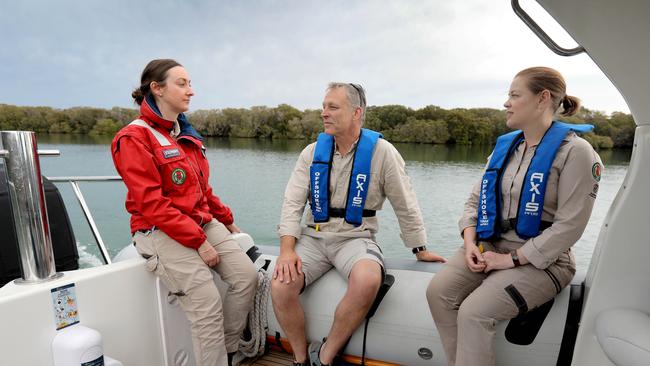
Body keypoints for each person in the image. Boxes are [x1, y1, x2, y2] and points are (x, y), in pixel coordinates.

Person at [426, 66, 603, 366]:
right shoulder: (505, 149)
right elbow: (474, 202)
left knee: (474, 311)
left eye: (514, 95)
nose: (506, 102)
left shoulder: (577, 152)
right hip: (490, 246)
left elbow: (570, 226)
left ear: (542, 99)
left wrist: (511, 260)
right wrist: (470, 243)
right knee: (438, 292)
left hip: (545, 260)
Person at [271, 82, 446, 366]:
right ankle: (301, 358)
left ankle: (326, 356)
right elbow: (292, 203)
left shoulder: (383, 152)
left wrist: (420, 249)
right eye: (324, 106)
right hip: (314, 237)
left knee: (367, 280)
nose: (324, 113)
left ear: (356, 112)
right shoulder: (311, 153)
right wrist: (287, 249)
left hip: (355, 238)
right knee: (280, 284)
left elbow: (405, 203)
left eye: (332, 107)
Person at [111, 59, 258, 366]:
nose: (191, 91)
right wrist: (198, 241)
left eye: (190, 83)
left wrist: (228, 222)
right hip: (158, 230)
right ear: (157, 89)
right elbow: (152, 204)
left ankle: (229, 351)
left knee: (247, 277)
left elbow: (202, 190)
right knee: (207, 305)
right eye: (182, 84)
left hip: (200, 222)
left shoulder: (185, 134)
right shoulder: (133, 138)